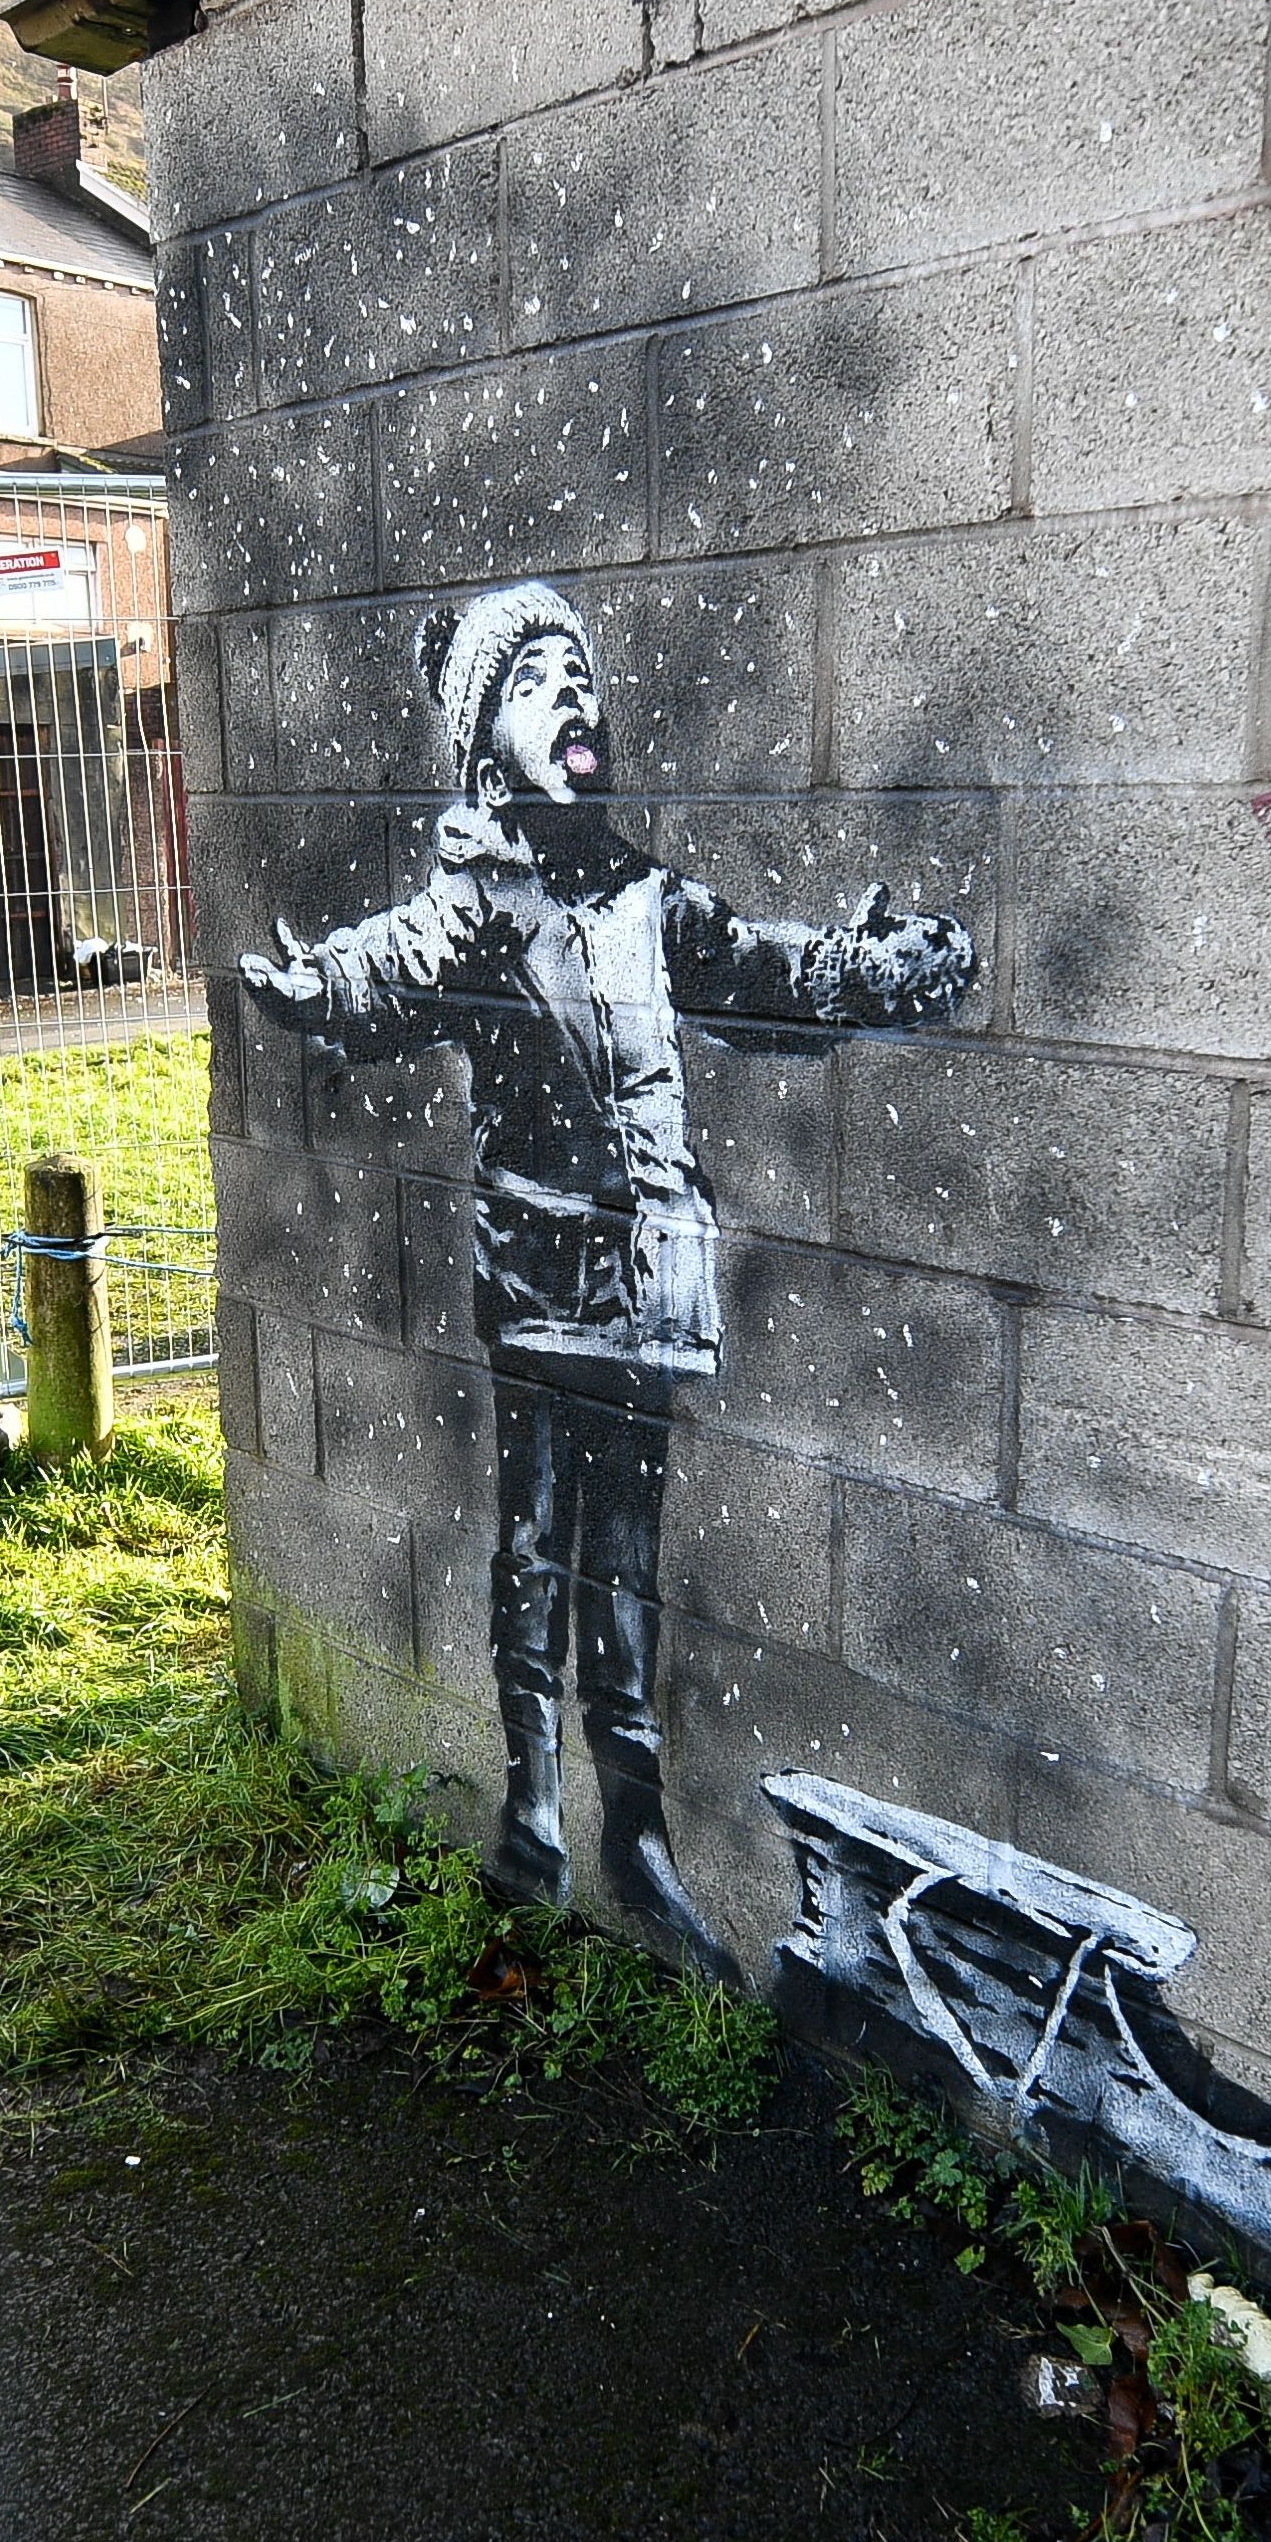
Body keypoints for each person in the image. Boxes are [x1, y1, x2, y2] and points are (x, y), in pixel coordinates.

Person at [241, 581, 975, 1979]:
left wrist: (872, 969)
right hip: (540, 1275)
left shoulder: (650, 898)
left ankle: (632, 1836)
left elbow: (766, 971)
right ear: (478, 744)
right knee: (535, 1539)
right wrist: (320, 987)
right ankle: (531, 1807)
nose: (571, 696)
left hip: (651, 1284)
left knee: (625, 1562)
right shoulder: (481, 898)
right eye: (533, 681)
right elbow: (395, 960)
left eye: (579, 673)